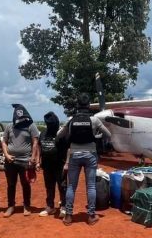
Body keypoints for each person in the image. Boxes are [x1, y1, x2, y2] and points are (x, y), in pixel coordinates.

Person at [60, 93, 111, 226]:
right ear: (89, 105)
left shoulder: (71, 119)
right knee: (91, 186)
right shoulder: (94, 120)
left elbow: (60, 134)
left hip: (74, 154)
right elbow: (108, 134)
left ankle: (69, 216)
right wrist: (97, 136)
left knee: (71, 186)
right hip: (90, 154)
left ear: (78, 104)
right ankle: (91, 216)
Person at [1, 104, 40, 218]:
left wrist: (33, 158)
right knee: (11, 184)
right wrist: (7, 155)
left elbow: (35, 142)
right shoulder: (9, 126)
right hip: (10, 161)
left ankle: (26, 206)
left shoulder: (31, 126)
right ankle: (11, 206)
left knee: (25, 184)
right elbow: (4, 142)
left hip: (25, 161)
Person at [38, 111, 67, 218]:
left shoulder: (62, 133)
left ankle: (64, 206)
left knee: (62, 186)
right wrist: (38, 161)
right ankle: (50, 207)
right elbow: (40, 147)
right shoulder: (43, 133)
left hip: (60, 165)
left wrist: (67, 163)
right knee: (49, 187)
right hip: (47, 165)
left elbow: (68, 149)